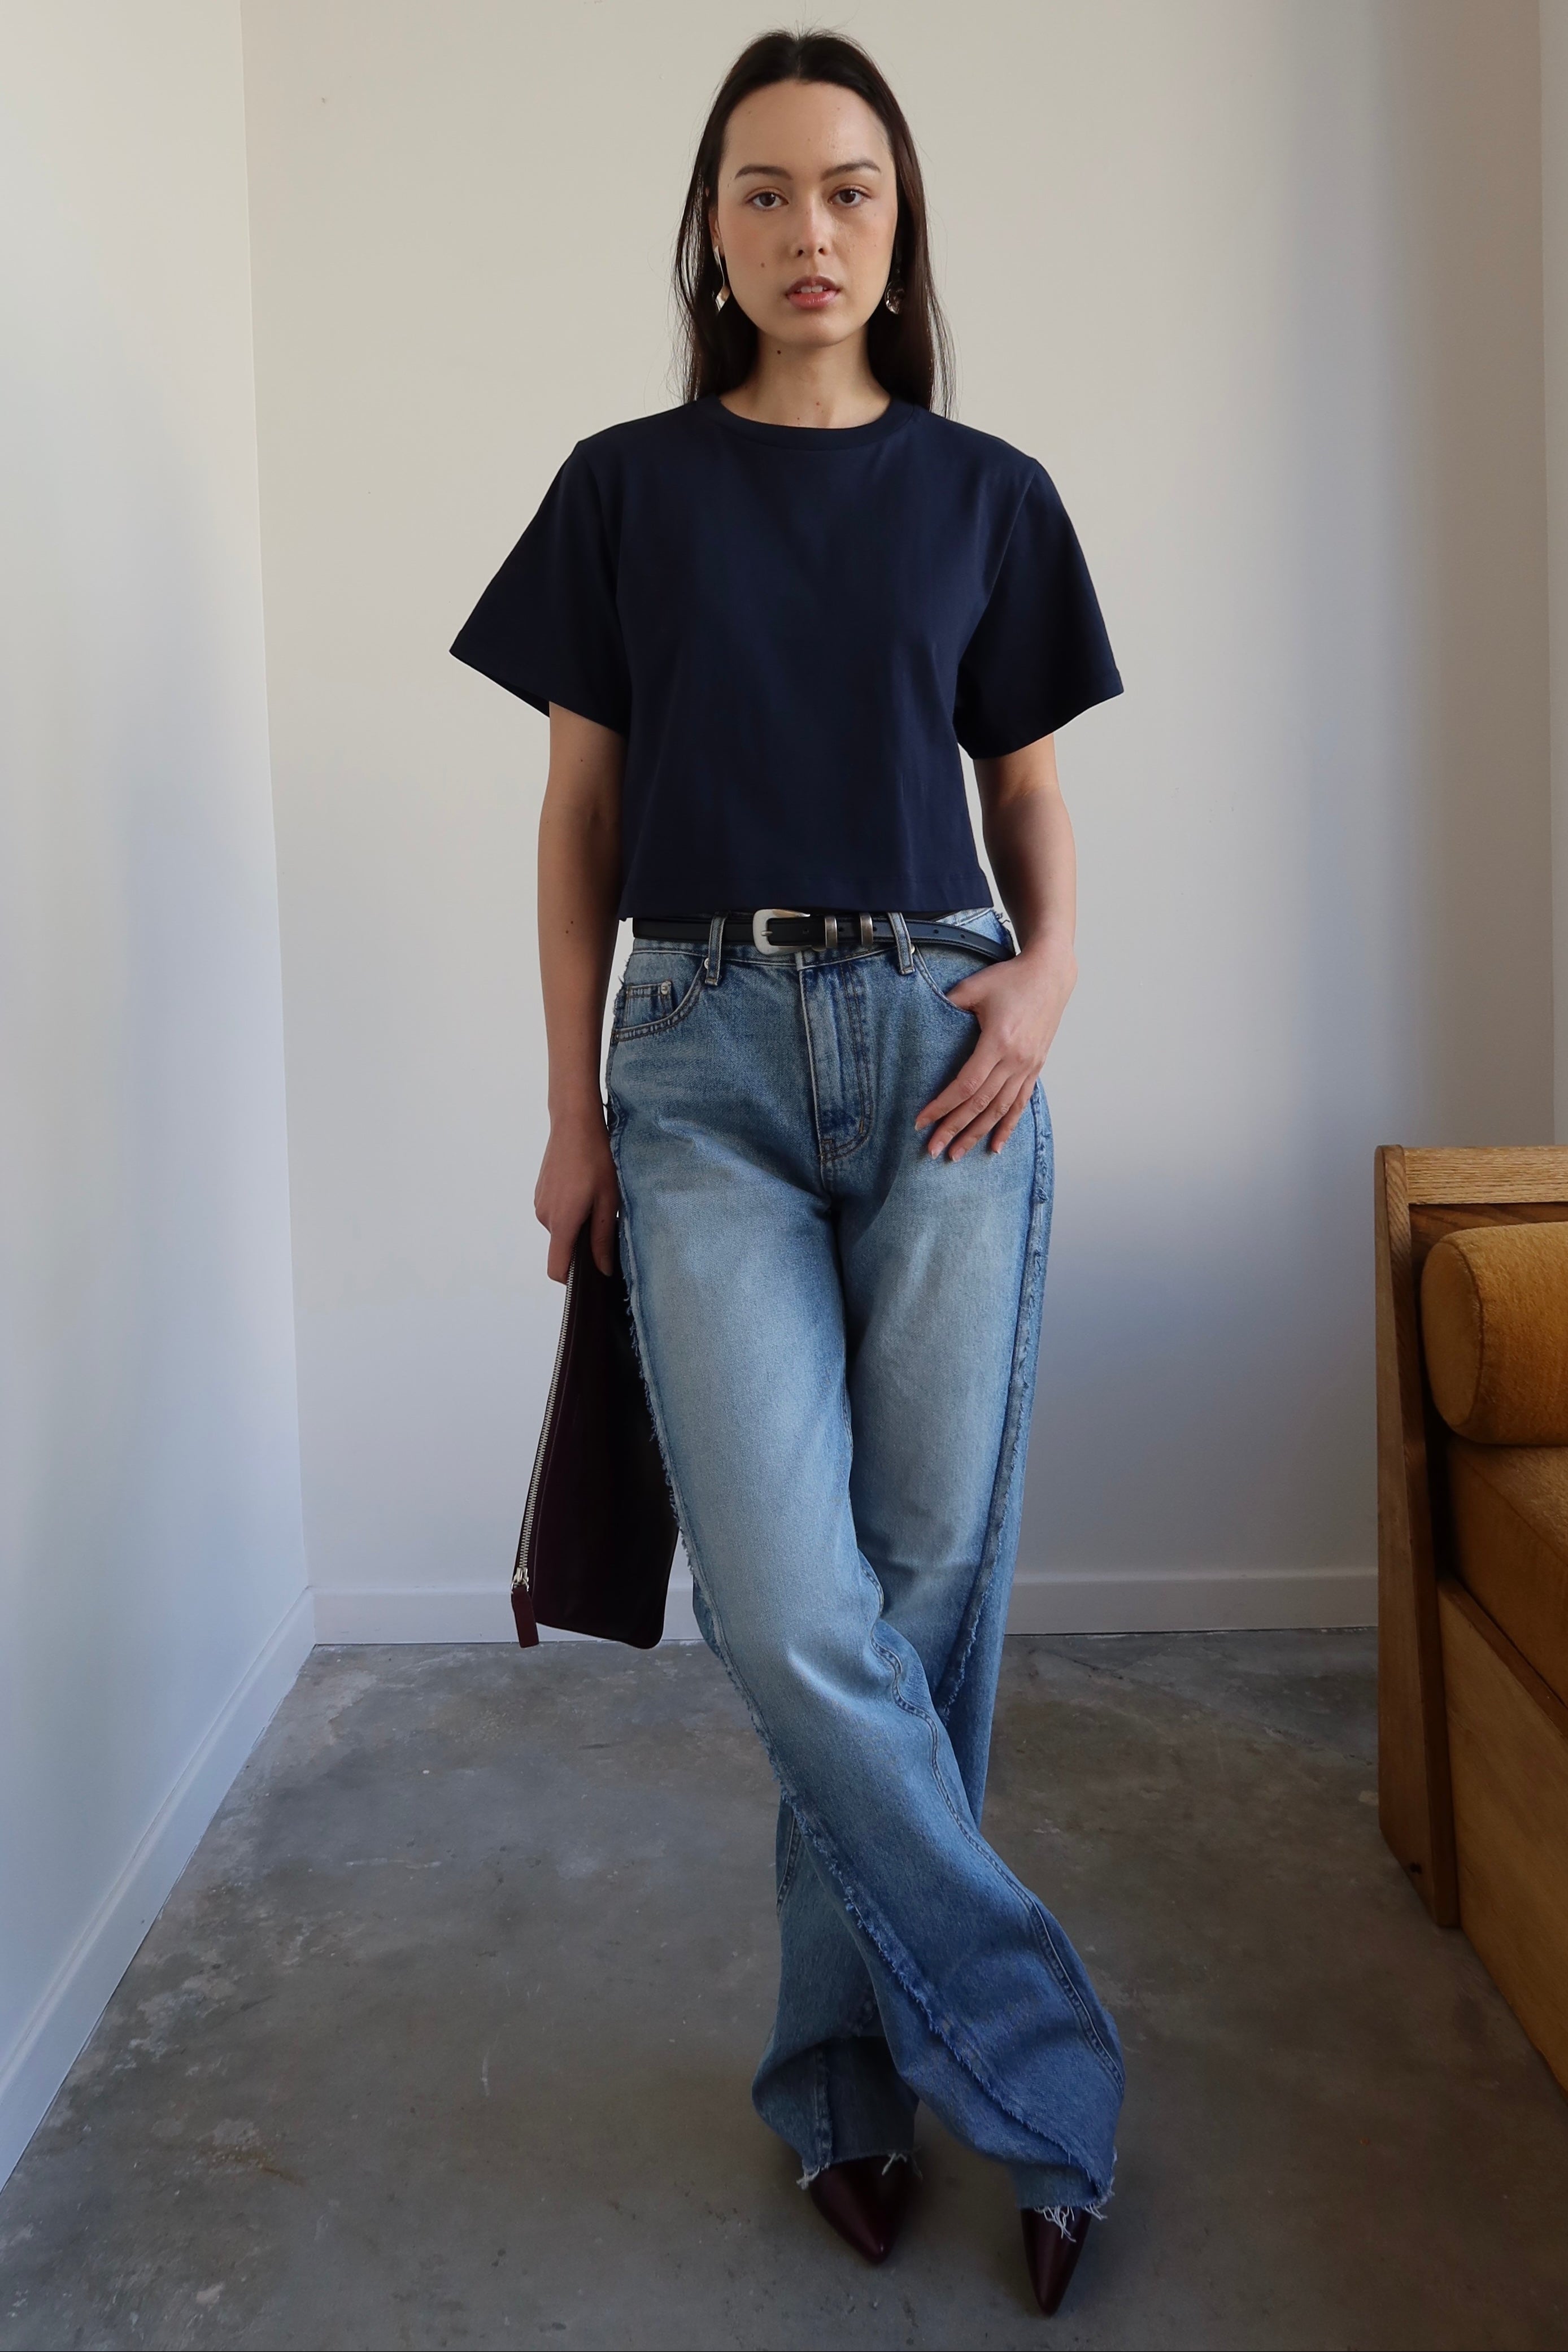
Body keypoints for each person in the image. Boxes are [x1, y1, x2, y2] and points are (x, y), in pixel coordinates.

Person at [452, 27, 1124, 2319]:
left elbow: (1028, 794)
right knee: (786, 1608)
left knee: (920, 1594)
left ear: (898, 222)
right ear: (709, 236)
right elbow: (572, 826)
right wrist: (572, 1114)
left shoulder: (986, 492)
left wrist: (1042, 988)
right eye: (761, 193)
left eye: (847, 189)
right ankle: (1050, 2082)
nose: (807, 230)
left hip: (948, 1053)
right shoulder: (621, 487)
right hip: (706, 1067)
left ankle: (841, 2085)